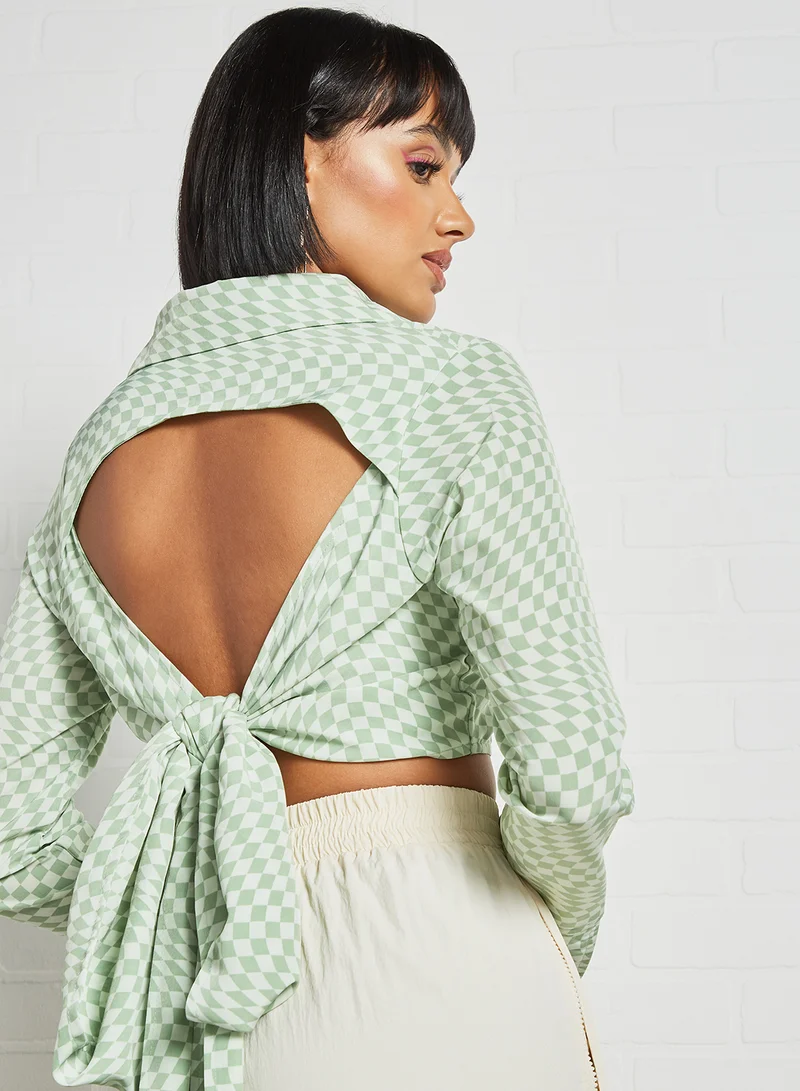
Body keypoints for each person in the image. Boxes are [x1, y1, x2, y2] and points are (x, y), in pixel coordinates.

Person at [0, 8, 635, 1091]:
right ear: (296, 156)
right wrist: (547, 929)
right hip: (446, 950)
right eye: (423, 164)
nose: (458, 215)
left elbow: (14, 834)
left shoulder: (101, 448)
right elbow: (572, 769)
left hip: (211, 996)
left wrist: (171, 906)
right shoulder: (452, 389)